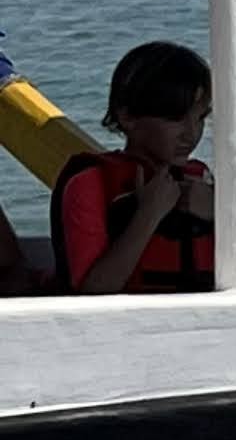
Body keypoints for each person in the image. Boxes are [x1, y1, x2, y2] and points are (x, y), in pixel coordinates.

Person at [51, 42, 218, 294]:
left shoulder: (201, 180)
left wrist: (220, 212)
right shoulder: (89, 183)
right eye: (175, 119)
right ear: (127, 117)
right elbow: (93, 290)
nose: (192, 133)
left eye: (200, 118)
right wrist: (149, 213)